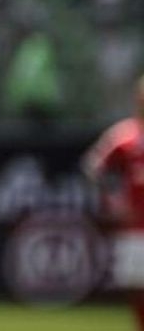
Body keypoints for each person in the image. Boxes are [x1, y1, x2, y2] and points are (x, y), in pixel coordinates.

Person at [82, 74, 144, 330]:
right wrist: (113, 199)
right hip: (134, 227)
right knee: (136, 285)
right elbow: (94, 166)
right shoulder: (124, 135)